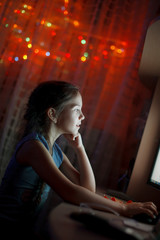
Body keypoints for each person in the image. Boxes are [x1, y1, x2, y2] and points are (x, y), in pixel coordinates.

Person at [0, 81, 158, 239]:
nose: (82, 116)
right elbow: (70, 192)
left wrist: (79, 149)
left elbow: (87, 189)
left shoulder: (56, 152)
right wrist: (124, 209)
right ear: (53, 114)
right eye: (77, 110)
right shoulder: (34, 147)